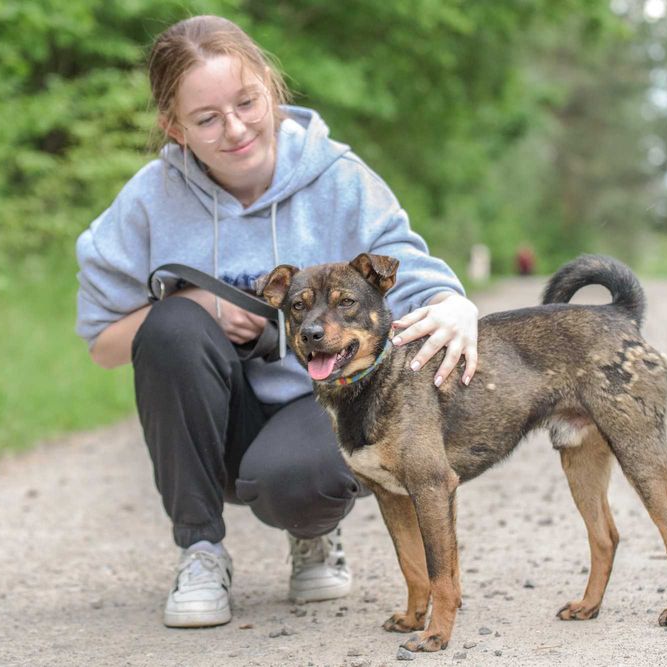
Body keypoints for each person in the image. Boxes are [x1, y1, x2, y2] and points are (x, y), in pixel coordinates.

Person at [74, 15, 479, 629]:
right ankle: (200, 550)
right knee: (171, 325)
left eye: (246, 102)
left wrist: (455, 303)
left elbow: (414, 272)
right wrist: (194, 306)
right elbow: (103, 344)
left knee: (299, 478)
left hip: (317, 409)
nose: (234, 128)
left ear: (271, 87)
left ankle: (312, 534)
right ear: (174, 128)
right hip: (216, 417)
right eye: (206, 119)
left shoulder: (338, 179)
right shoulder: (148, 200)